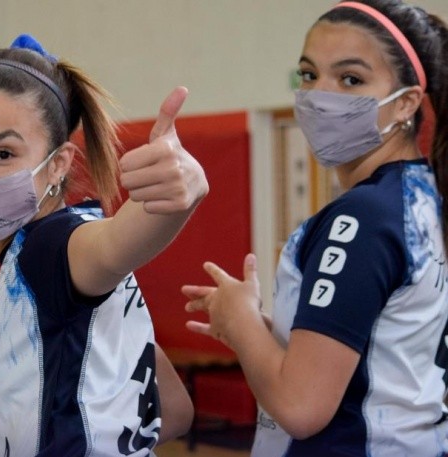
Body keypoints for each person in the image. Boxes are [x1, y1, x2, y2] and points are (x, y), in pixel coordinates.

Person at [183, 1, 448, 456]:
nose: (320, 94)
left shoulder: (362, 217)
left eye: (350, 79)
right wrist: (261, 331)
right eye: (308, 75)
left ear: (406, 104)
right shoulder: (422, 198)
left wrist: (243, 322)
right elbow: (379, 351)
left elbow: (301, 407)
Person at [0, 34, 201, 456]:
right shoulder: (45, 252)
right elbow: (173, 408)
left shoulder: (50, 249)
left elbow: (114, 244)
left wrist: (176, 192)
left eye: (2, 153)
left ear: (58, 164)